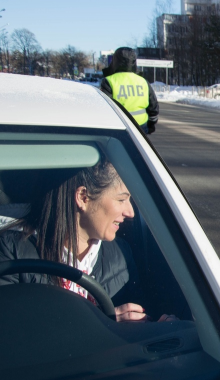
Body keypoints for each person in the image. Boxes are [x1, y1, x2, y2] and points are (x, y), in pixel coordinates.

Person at [0, 157, 175, 323]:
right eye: (121, 199)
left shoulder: (120, 255)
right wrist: (100, 322)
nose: (130, 212)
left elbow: (139, 318)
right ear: (83, 197)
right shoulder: (12, 252)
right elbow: (13, 333)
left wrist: (153, 324)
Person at [101, 47, 159, 135]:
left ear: (115, 61)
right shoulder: (143, 81)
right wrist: (151, 124)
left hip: (119, 125)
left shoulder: (109, 81)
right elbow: (153, 107)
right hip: (141, 126)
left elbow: (105, 108)